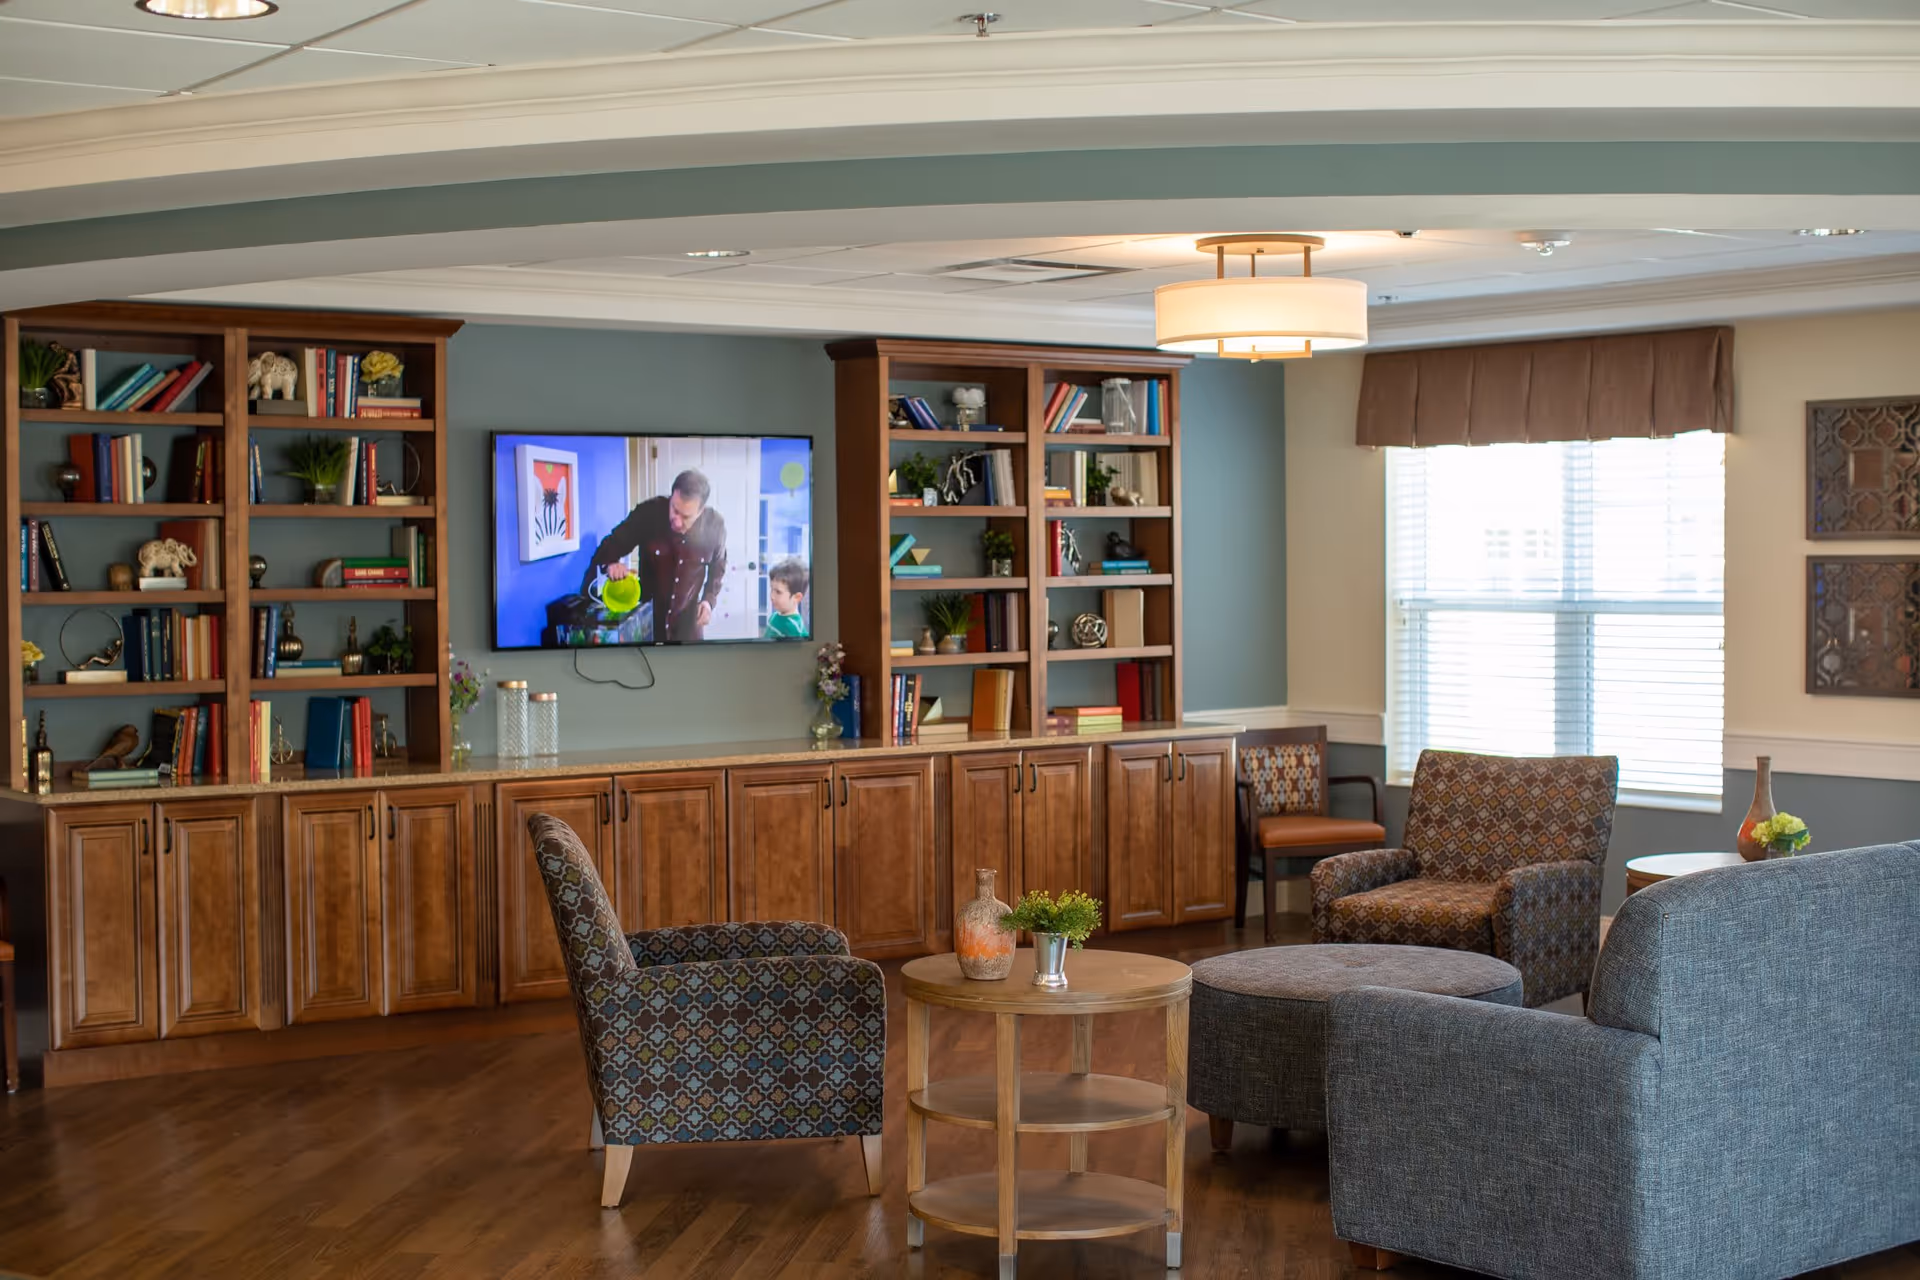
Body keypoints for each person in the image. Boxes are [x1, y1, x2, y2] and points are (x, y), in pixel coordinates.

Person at [582, 468, 726, 642]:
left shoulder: (715, 527)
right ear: (672, 496)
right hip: (647, 626)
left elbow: (718, 568)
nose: (677, 521)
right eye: (674, 509)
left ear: (700, 511)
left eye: (685, 516)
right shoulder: (648, 513)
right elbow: (610, 546)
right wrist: (611, 564)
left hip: (688, 629)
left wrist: (708, 601)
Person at [764, 558, 809, 639]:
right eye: (772, 589)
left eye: (778, 592)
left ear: (797, 597)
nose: (772, 596)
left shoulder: (794, 630)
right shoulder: (775, 615)